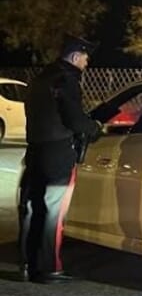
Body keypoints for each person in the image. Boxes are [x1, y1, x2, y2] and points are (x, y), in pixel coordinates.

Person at [18, 34, 102, 283]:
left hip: (35, 151)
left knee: (32, 210)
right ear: (76, 56)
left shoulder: (40, 79)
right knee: (54, 212)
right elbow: (74, 119)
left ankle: (27, 265)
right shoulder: (66, 80)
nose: (87, 63)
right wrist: (94, 128)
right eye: (86, 58)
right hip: (58, 154)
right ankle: (50, 267)